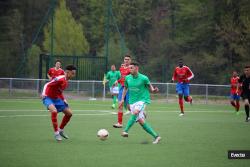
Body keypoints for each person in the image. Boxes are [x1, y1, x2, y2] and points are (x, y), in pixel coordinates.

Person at [120, 62, 161, 144]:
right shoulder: (127, 78)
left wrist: (154, 90)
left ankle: (125, 131)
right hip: (132, 102)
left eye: (131, 68)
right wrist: (122, 99)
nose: (129, 69)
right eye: (129, 68)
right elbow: (125, 89)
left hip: (142, 100)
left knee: (135, 112)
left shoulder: (144, 78)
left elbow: (151, 88)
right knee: (141, 121)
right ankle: (156, 136)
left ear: (136, 68)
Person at [42, 65, 77, 141]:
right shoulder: (60, 78)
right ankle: (56, 133)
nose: (74, 75)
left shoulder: (66, 82)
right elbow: (47, 84)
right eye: (73, 73)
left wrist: (64, 99)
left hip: (56, 99)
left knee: (69, 113)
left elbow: (59, 92)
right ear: (67, 72)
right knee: (54, 111)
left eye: (74, 73)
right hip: (47, 97)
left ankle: (61, 130)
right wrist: (44, 94)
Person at [113, 54, 131, 128]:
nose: (126, 60)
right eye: (125, 59)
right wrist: (117, 81)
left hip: (129, 89)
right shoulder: (121, 68)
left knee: (129, 107)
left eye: (128, 59)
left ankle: (142, 114)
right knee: (120, 105)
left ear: (130, 61)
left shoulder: (131, 68)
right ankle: (119, 123)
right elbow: (122, 78)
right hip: (122, 88)